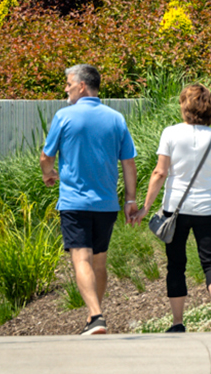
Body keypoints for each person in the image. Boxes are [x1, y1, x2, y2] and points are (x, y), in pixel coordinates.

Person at [39, 64, 138, 335]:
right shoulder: (116, 118)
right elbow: (129, 162)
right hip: (107, 204)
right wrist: (131, 200)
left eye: (69, 84)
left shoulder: (64, 117)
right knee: (100, 262)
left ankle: (96, 315)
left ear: (82, 85)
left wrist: (49, 174)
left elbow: (46, 157)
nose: (66, 89)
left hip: (75, 202)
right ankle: (94, 316)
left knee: (81, 259)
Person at [134, 84, 211, 333]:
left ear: (184, 106)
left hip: (175, 208)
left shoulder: (171, 133)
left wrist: (146, 207)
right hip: (209, 209)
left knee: (176, 264)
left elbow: (160, 172)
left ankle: (177, 322)